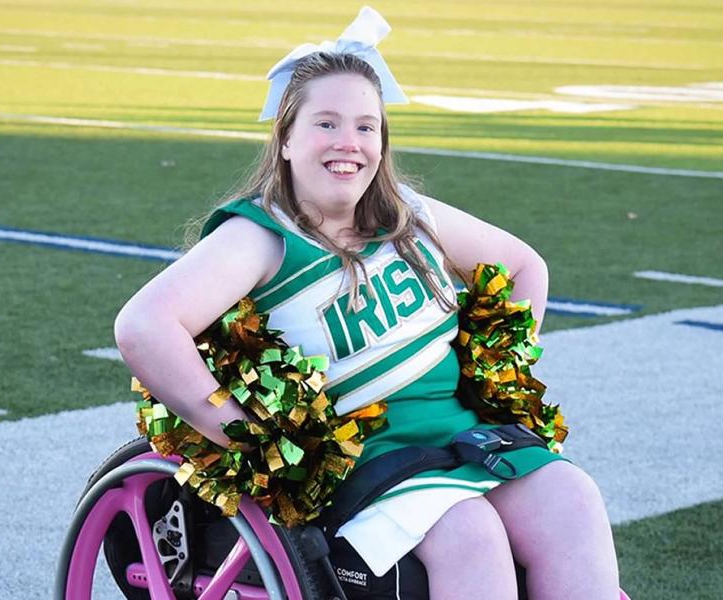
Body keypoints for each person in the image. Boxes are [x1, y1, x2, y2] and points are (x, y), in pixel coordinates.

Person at [114, 7, 620, 600]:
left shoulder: (410, 216)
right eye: (325, 124)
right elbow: (145, 325)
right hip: (366, 463)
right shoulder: (261, 236)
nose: (347, 144)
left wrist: (497, 373)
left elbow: (522, 266)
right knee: (470, 534)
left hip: (465, 434)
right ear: (285, 140)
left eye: (365, 126)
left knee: (572, 498)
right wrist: (240, 434)